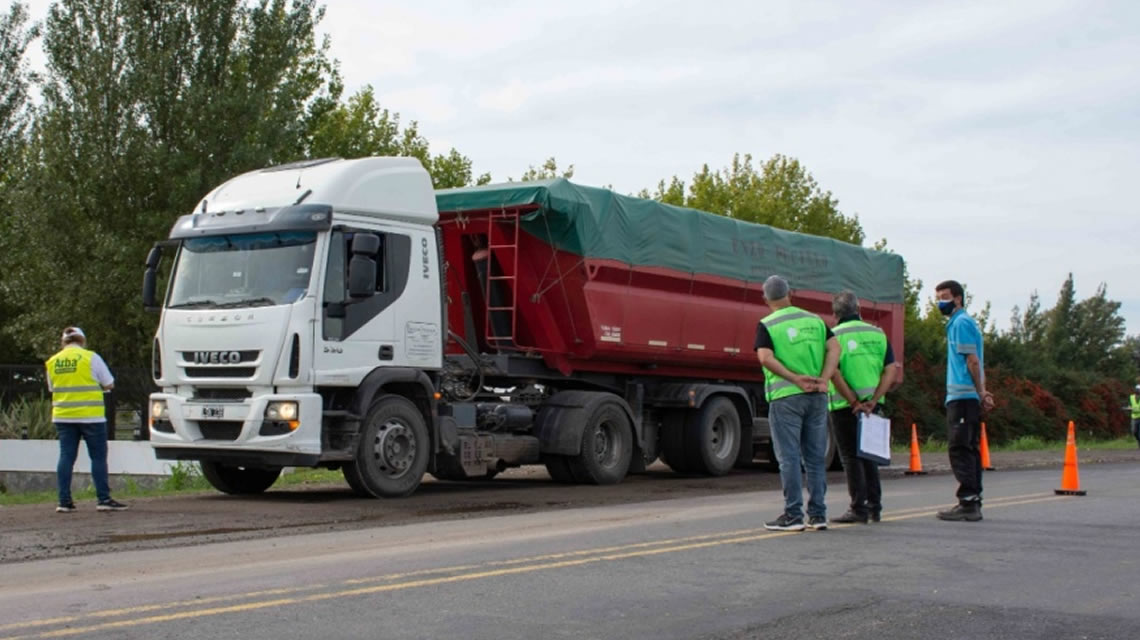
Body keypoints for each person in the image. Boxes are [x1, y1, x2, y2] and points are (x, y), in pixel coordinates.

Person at [755, 275, 840, 532]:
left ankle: (793, 515)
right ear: (791, 293)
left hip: (786, 398)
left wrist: (793, 378)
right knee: (814, 458)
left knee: (789, 457)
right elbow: (835, 348)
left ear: (765, 298)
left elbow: (765, 357)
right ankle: (818, 514)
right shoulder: (815, 320)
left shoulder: (767, 324)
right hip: (817, 396)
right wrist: (824, 379)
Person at [827, 291, 900, 524]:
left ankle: (858, 507)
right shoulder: (878, 334)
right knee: (870, 455)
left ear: (835, 314)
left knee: (850, 457)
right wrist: (875, 399)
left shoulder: (833, 336)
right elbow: (891, 370)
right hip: (873, 406)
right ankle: (874, 507)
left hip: (844, 405)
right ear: (859, 310)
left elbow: (834, 372)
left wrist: (853, 402)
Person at [44, 327, 128, 512]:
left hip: (63, 416)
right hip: (91, 417)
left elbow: (52, 388)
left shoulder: (52, 362)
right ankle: (103, 499)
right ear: (82, 340)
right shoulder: (91, 357)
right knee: (97, 457)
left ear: (63, 342)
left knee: (66, 456)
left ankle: (64, 502)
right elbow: (109, 383)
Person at [933, 281, 993, 522]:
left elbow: (972, 361)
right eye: (938, 297)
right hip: (965, 396)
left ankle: (968, 501)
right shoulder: (961, 323)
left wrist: (981, 392)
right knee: (969, 448)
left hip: (962, 397)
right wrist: (982, 392)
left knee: (960, 448)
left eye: (945, 297)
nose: (940, 302)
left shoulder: (961, 323)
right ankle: (973, 498)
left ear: (958, 298)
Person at [1129, 384, 1140, 449]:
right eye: (1137, 390)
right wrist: (1129, 408)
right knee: (1134, 431)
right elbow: (1129, 405)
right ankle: (1138, 440)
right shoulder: (1131, 397)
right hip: (1134, 417)